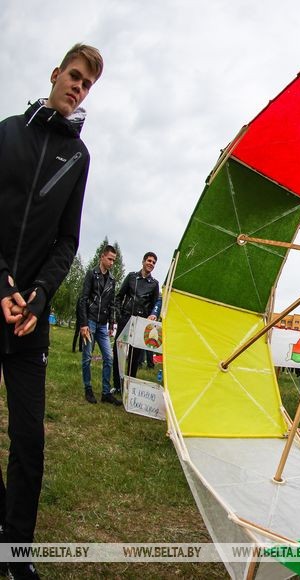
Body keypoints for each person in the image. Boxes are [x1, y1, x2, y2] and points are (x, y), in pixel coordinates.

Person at [0, 43, 103, 579]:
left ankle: (17, 550)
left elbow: (68, 241)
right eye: (74, 76)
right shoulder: (7, 132)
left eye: (87, 85)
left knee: (29, 439)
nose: (77, 87)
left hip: (31, 320)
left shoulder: (78, 157)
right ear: (55, 73)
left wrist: (39, 296)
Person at [78, 244, 120, 405]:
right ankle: (88, 388)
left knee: (109, 357)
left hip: (103, 324)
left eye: (114, 260)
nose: (111, 262)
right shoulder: (91, 274)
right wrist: (83, 323)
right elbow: (83, 299)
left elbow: (111, 303)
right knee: (87, 356)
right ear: (102, 257)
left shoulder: (112, 280)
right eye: (110, 259)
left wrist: (111, 322)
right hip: (89, 321)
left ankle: (105, 392)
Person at [112, 252, 159, 394]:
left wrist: (153, 314)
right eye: (149, 261)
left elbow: (155, 303)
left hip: (141, 323)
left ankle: (129, 385)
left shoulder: (154, 284)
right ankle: (117, 385)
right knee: (118, 351)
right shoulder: (132, 277)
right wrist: (119, 315)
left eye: (154, 262)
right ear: (143, 261)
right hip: (125, 318)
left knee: (135, 355)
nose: (151, 263)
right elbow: (119, 297)